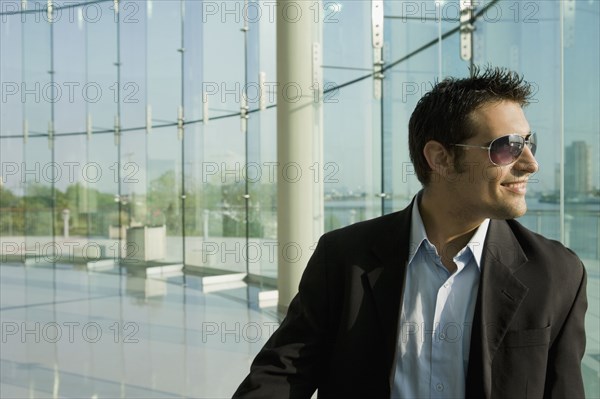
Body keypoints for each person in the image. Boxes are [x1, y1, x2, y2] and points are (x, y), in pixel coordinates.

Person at [233, 67, 587, 398]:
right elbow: (283, 374)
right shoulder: (343, 257)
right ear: (441, 158)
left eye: (529, 143)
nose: (531, 163)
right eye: (508, 147)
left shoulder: (557, 273)